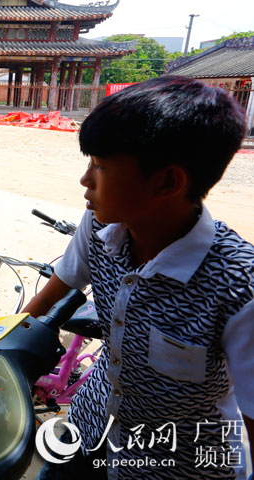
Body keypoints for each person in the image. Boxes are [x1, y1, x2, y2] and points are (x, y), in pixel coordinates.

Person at [23, 77, 253, 480]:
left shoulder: (239, 285)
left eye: (100, 166)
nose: (85, 180)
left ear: (168, 181)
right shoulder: (98, 226)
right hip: (87, 432)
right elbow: (49, 297)